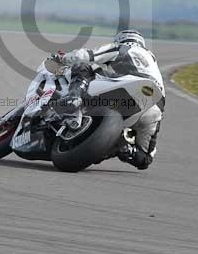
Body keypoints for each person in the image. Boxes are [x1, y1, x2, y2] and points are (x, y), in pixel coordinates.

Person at [53, 30, 165, 170]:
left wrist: (61, 58)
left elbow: (87, 56)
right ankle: (121, 146)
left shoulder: (122, 47)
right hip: (154, 106)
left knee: (82, 67)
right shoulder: (152, 60)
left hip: (126, 87)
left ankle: (73, 99)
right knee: (145, 158)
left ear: (122, 39)